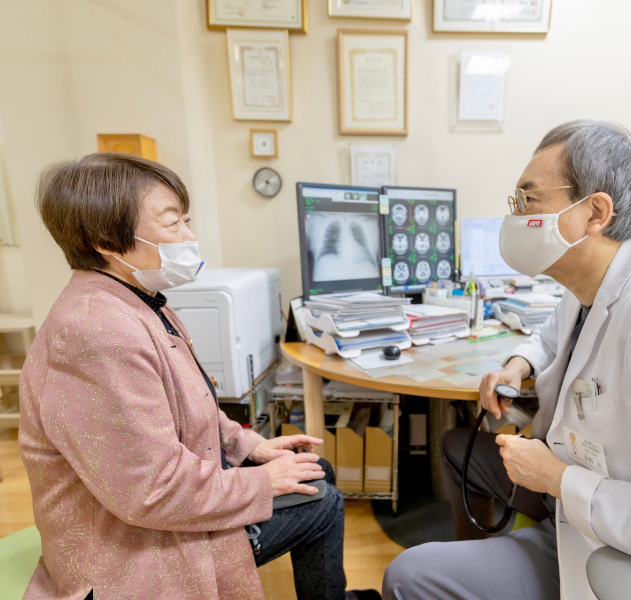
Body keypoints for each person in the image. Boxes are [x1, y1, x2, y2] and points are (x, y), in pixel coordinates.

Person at [383, 120, 631, 599]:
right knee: (459, 449)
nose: (514, 217)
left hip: (619, 551)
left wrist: (557, 478)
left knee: (409, 575)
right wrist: (519, 364)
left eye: (527, 201)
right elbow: (552, 336)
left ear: (594, 212)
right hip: (574, 489)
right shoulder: (587, 290)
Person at [20, 153, 379, 600]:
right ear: (104, 240)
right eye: (173, 225)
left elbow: (194, 407)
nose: (189, 237)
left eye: (186, 220)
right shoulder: (95, 333)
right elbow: (152, 490)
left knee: (315, 471)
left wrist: (250, 446)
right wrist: (261, 482)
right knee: (323, 502)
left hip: (162, 495)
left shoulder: (142, 300)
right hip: (135, 548)